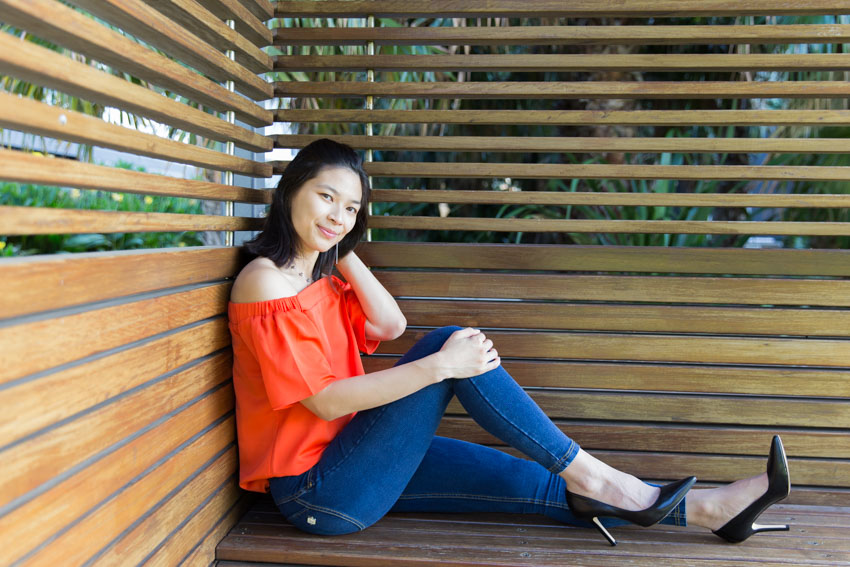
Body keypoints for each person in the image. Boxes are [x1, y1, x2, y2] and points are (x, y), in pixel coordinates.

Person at [228, 138, 790, 545]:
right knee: (448, 343)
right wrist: (441, 367)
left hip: (353, 456)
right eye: (326, 198)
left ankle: (710, 510)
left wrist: (337, 246)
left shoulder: (316, 277)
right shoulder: (265, 283)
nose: (338, 216)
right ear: (291, 190)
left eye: (351, 208)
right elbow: (323, 400)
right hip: (317, 492)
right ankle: (602, 477)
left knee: (535, 483)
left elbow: (388, 327)